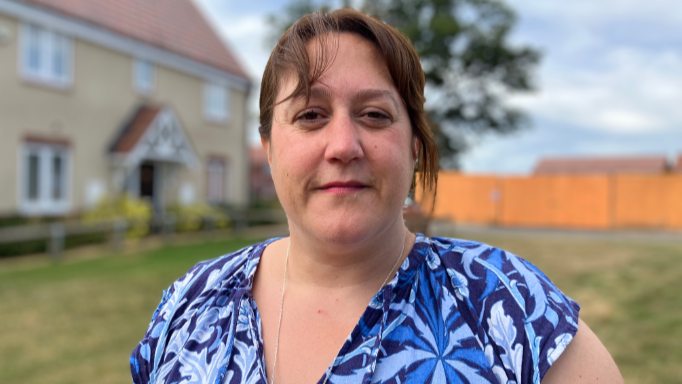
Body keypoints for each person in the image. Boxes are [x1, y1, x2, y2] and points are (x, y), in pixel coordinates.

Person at [130, 8, 622, 384]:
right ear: (269, 148)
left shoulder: (509, 307)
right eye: (310, 116)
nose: (343, 145)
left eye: (374, 115)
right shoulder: (191, 305)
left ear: (413, 146)